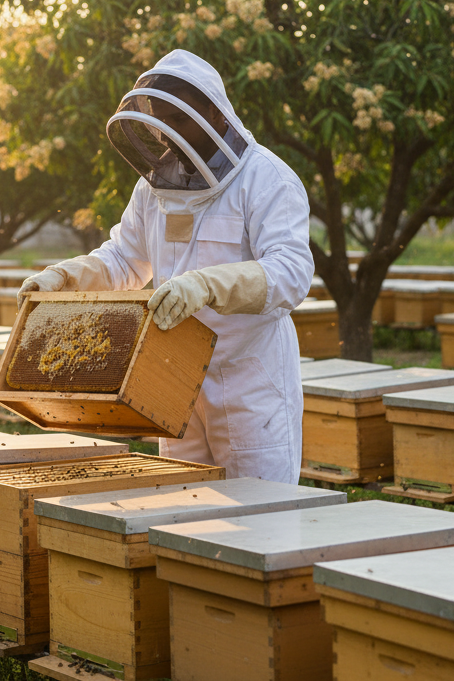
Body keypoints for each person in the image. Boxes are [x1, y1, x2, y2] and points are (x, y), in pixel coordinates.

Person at [17, 49, 314, 483]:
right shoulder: (154, 187)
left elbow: (290, 274)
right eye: (160, 122)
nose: (168, 136)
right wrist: (63, 278)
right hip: (173, 378)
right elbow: (124, 260)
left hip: (251, 381)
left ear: (212, 111)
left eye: (179, 121)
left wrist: (207, 286)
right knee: (184, 514)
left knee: (260, 520)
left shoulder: (267, 179)